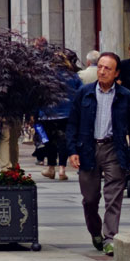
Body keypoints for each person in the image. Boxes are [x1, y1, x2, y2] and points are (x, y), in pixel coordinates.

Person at [66, 51, 130, 256]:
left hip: (114, 149)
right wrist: (72, 150)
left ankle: (110, 238)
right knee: (90, 199)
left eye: (107, 68)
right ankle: (95, 232)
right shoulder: (85, 92)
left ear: (116, 73)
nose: (102, 71)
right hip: (88, 148)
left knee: (113, 197)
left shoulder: (126, 96)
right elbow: (72, 123)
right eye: (100, 67)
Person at [41, 50, 82, 182]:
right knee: (64, 140)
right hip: (68, 113)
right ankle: (62, 169)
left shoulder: (46, 76)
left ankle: (51, 167)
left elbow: (39, 94)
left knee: (49, 141)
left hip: (48, 114)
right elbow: (81, 92)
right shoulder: (73, 76)